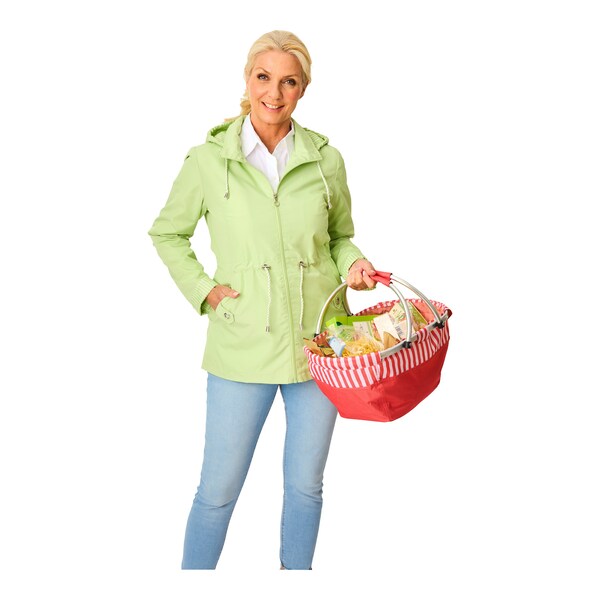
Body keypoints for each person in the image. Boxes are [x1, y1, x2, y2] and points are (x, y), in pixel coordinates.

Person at [148, 30, 377, 570]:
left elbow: (339, 237)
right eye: (264, 77)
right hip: (242, 343)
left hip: (322, 347)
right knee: (217, 492)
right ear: (247, 81)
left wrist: (355, 264)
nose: (275, 92)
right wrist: (206, 292)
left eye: (289, 81)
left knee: (306, 488)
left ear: (303, 89)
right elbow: (167, 233)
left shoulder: (326, 160)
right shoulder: (208, 161)